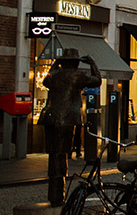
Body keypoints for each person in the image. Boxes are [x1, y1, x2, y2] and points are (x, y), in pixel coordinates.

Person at [40, 49, 102, 206]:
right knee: (61, 154)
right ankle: (57, 195)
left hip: (51, 118)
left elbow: (46, 80)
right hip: (68, 118)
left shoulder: (54, 76)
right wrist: (93, 63)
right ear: (75, 62)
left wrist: (55, 63)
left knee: (53, 154)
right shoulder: (78, 75)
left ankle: (54, 195)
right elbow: (97, 80)